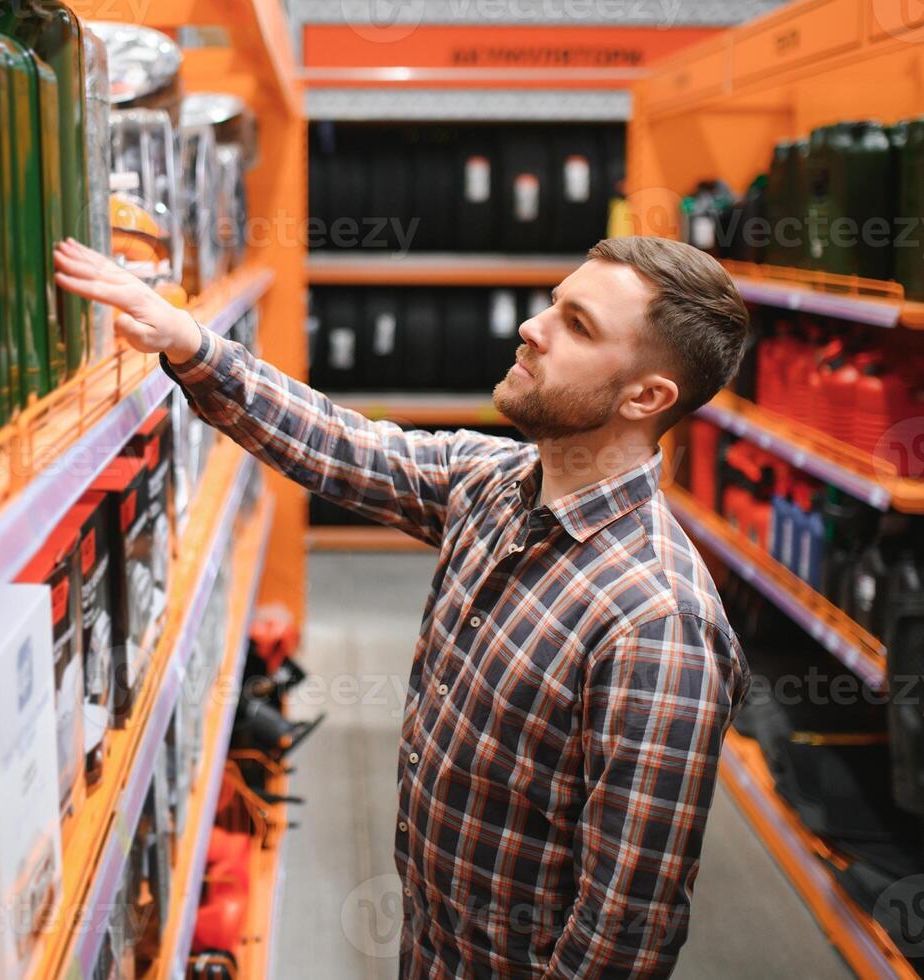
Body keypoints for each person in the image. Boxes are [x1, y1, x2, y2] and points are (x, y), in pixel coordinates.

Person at [54, 235, 752, 978]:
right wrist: (191, 343)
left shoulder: (659, 628)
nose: (531, 328)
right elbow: (344, 447)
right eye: (553, 304)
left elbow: (624, 937)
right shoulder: (495, 483)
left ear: (644, 397)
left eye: (576, 325)